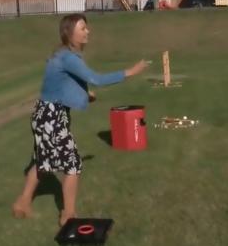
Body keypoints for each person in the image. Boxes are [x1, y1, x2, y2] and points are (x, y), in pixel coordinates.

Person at [12, 13, 148, 226]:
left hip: (45, 114)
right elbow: (97, 79)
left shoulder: (63, 55)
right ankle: (69, 215)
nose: (88, 31)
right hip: (51, 117)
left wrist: (86, 96)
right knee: (73, 164)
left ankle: (22, 204)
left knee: (43, 162)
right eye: (82, 28)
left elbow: (59, 86)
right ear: (69, 33)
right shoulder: (68, 58)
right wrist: (130, 72)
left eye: (87, 28)